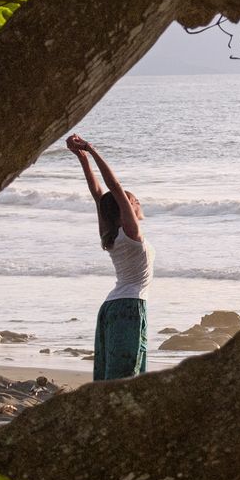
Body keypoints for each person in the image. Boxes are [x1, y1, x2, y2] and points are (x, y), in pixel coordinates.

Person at [67, 134, 154, 381]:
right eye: (134, 201)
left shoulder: (111, 234)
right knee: (125, 378)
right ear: (126, 207)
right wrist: (91, 149)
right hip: (130, 307)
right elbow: (113, 187)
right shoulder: (131, 234)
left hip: (110, 308)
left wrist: (82, 158)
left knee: (110, 376)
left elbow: (98, 195)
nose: (138, 203)